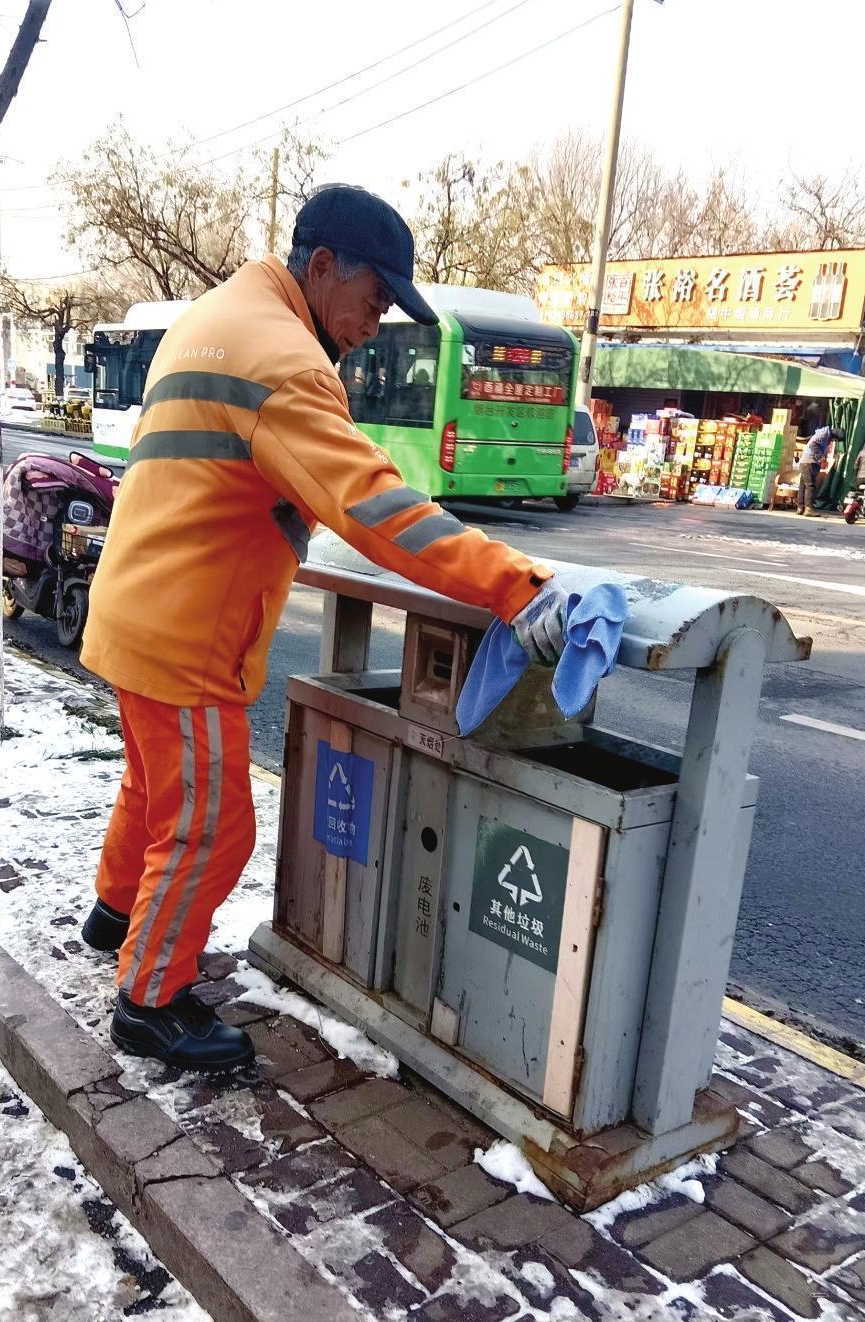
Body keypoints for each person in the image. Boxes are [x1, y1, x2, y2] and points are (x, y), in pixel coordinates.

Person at [78, 183, 568, 1073]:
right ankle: (149, 998)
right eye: (375, 299)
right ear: (324, 266)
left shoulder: (217, 314)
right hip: (188, 635)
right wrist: (512, 583)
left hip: (135, 609)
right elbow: (376, 511)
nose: (375, 324)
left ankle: (117, 913)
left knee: (153, 795)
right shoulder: (288, 364)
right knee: (212, 827)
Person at [796, 423, 844, 516]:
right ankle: (808, 509)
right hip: (809, 463)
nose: (834, 441)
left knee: (803, 485)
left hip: (805, 462)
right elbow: (813, 445)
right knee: (810, 486)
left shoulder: (823, 433)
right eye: (835, 439)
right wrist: (820, 457)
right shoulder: (823, 435)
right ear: (834, 436)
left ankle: (800, 507)